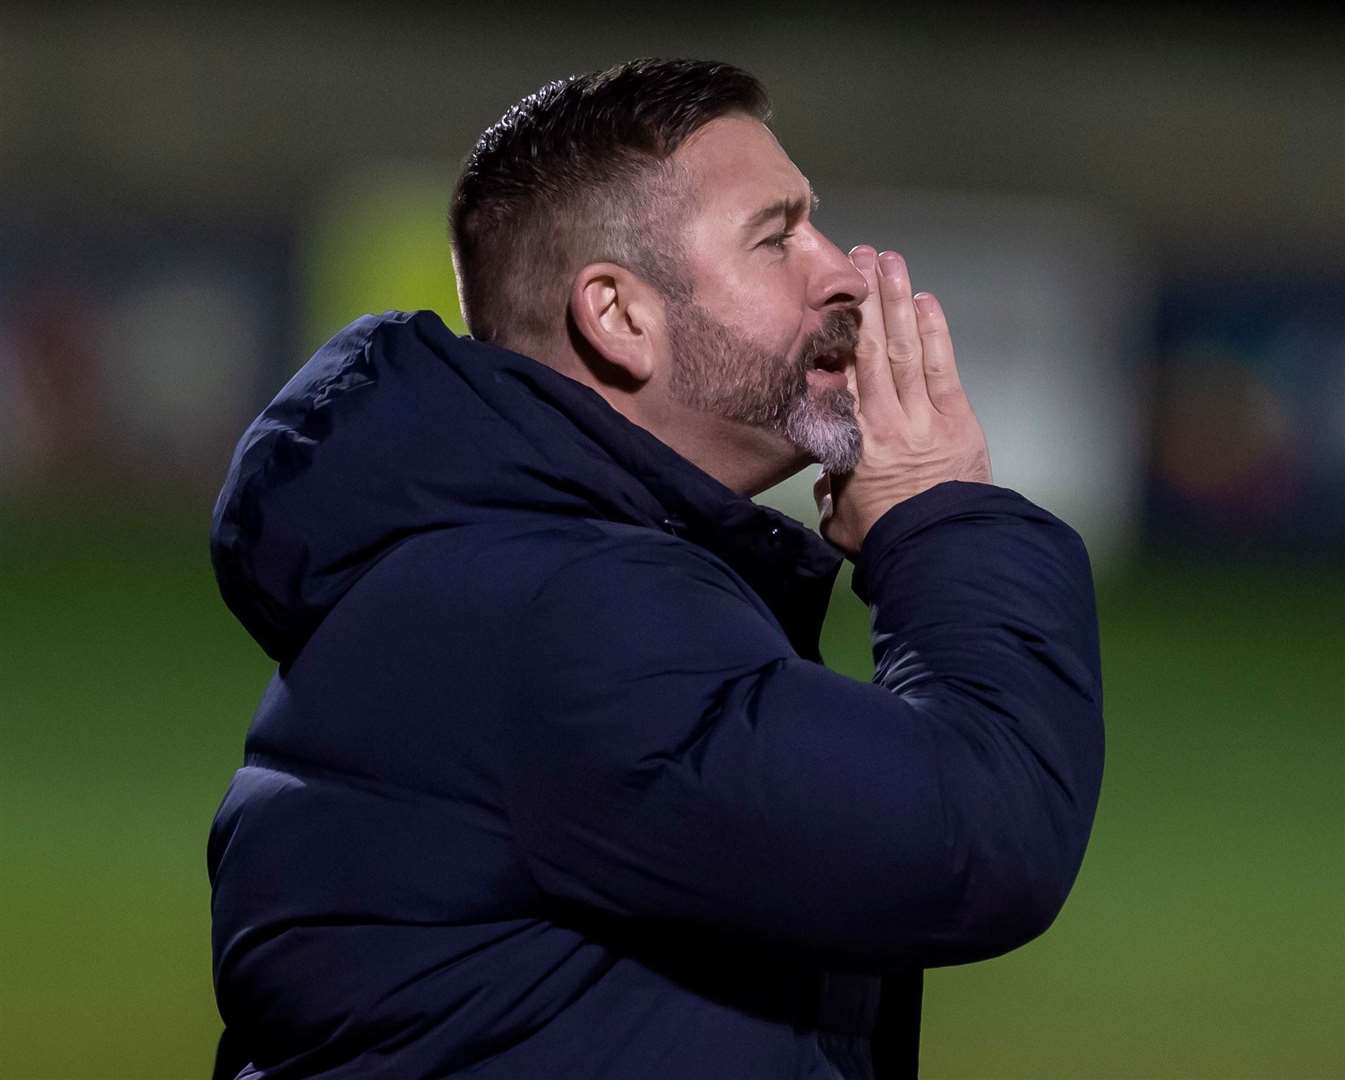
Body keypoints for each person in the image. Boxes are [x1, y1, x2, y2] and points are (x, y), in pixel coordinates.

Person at [208, 58, 1104, 1080]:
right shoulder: (564, 610)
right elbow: (979, 836)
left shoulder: (505, 566)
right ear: (618, 315)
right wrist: (943, 519)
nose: (843, 270)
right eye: (777, 237)